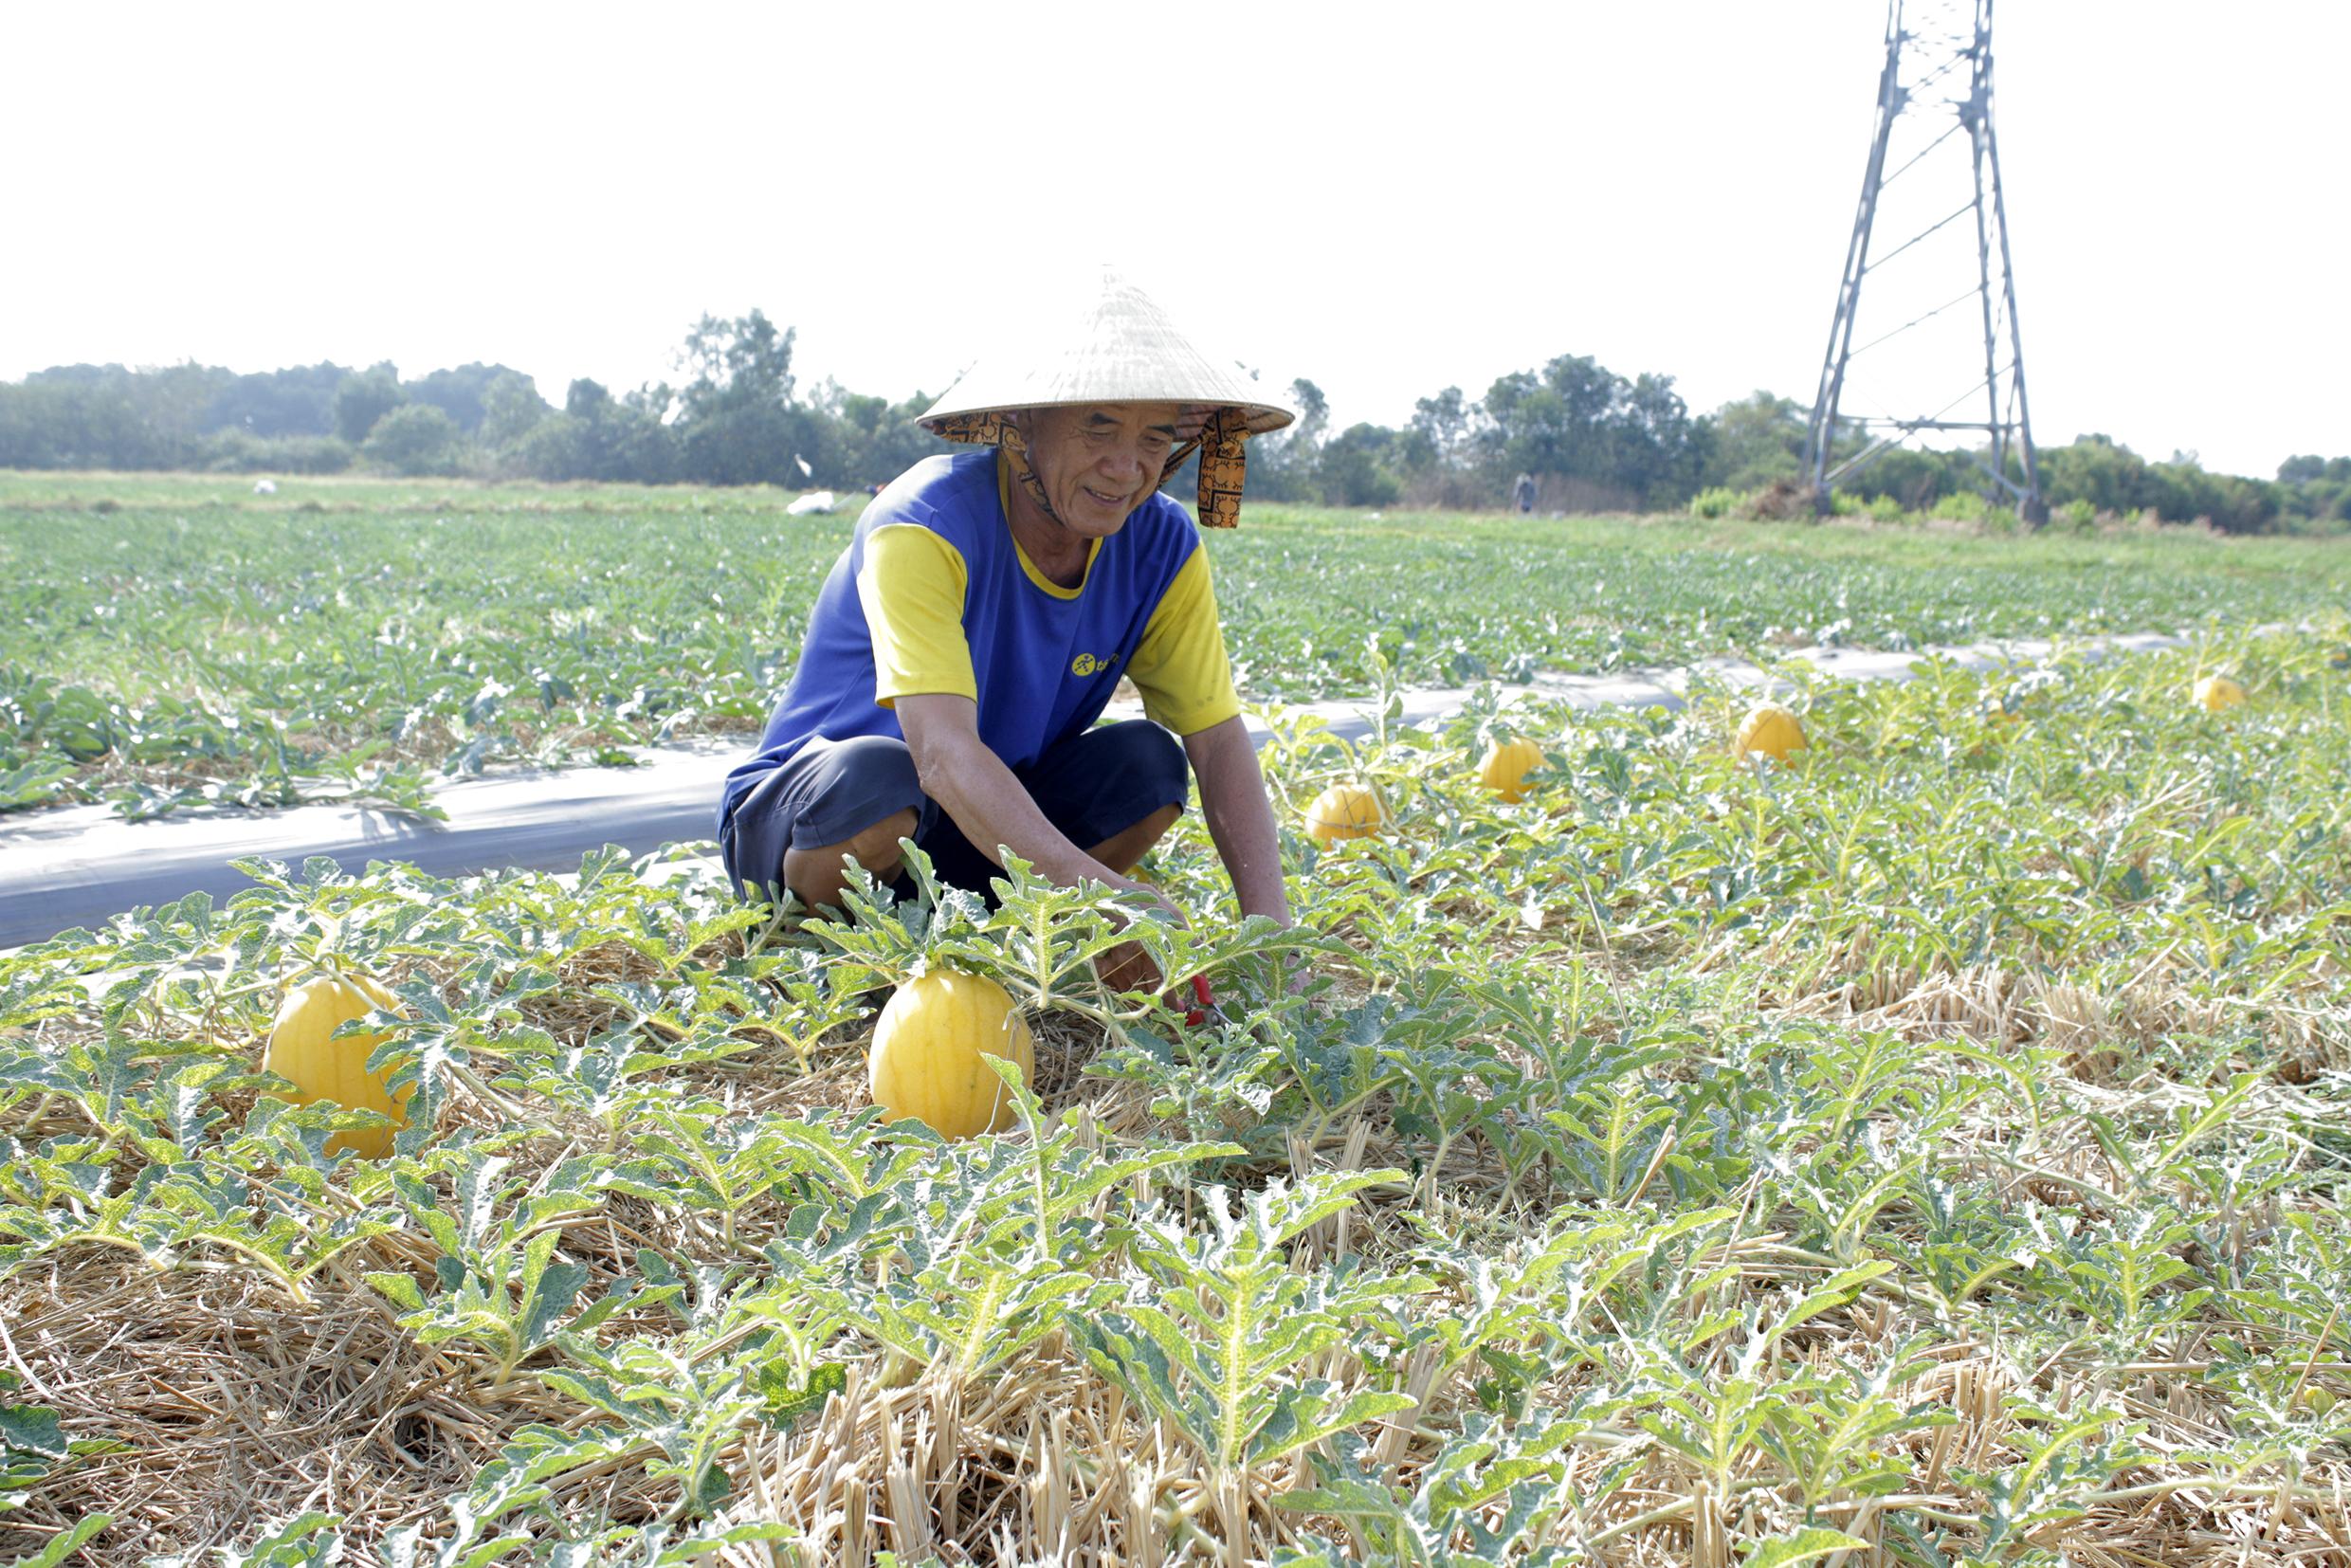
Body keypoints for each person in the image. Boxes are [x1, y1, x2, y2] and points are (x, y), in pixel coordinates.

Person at [716, 272, 1296, 975]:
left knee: (1147, 767)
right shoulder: (925, 523)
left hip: (970, 826)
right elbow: (941, 757)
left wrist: (1272, 939)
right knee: (880, 776)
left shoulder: (1161, 547)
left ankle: (983, 942)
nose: (1125, 467)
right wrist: (1098, 895)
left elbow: (1216, 739)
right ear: (1022, 424)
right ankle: (822, 951)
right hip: (814, 816)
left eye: (1155, 438)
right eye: (1100, 426)